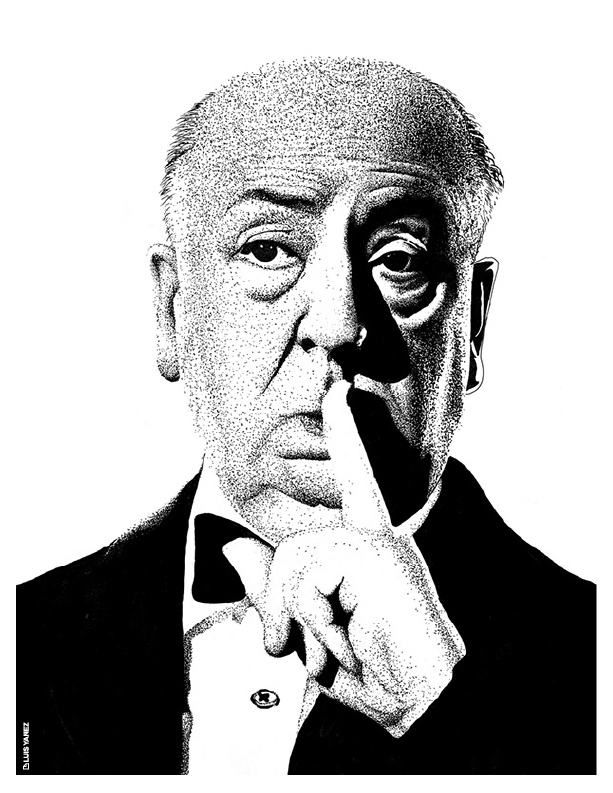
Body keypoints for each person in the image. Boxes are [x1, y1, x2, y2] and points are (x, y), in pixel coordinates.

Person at [16, 57, 595, 775]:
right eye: (268, 250)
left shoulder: (590, 660)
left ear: (472, 325)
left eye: (399, 259)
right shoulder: (25, 639)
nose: (338, 323)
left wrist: (441, 706)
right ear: (172, 312)